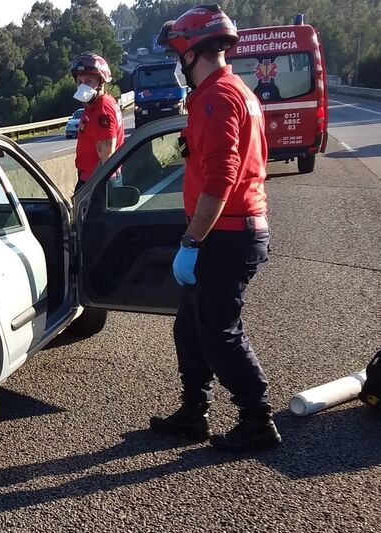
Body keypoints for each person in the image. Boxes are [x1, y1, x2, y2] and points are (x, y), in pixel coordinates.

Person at [148, 4, 280, 452]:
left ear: (189, 51)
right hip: (228, 229)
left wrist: (191, 240)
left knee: (220, 331)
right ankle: (193, 412)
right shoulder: (235, 91)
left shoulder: (217, 97)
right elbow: (221, 158)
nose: (176, 63)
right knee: (190, 326)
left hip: (225, 233)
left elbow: (223, 177)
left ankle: (257, 418)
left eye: (176, 55)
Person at [71, 52, 124, 193]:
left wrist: (90, 189)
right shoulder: (93, 106)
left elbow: (107, 157)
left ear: (101, 82)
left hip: (98, 180)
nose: (83, 87)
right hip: (93, 178)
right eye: (79, 82)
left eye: (89, 81)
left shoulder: (102, 110)